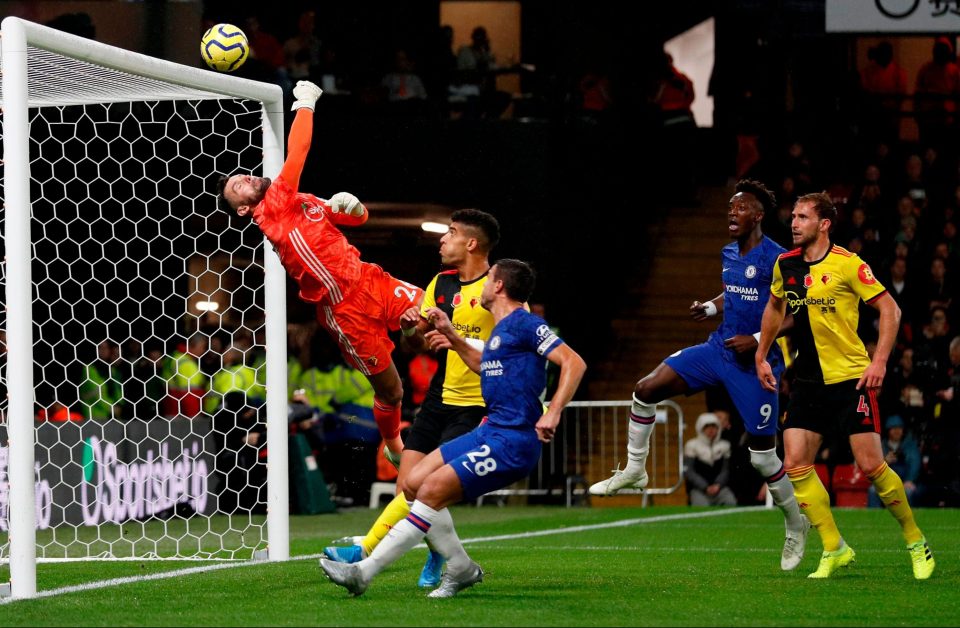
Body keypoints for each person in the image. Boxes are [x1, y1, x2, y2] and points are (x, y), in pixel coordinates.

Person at [320, 259, 586, 597]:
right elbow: (482, 365)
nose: (483, 285)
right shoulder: (501, 330)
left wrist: (554, 412)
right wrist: (451, 334)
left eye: (489, 278)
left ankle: (363, 572)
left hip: (513, 440)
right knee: (414, 484)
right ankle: (461, 568)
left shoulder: (526, 324)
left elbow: (574, 362)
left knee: (431, 492)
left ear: (499, 286)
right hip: (490, 431)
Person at [589, 179, 809, 571]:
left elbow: (795, 315)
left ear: (758, 216)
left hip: (755, 362)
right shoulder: (728, 251)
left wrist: (757, 338)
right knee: (645, 389)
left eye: (740, 208)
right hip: (718, 349)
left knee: (762, 458)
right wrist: (710, 308)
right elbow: (735, 291)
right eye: (730, 207)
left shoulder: (780, 258)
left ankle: (796, 524)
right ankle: (635, 470)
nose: (731, 212)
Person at [215, 80, 424, 461]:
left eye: (241, 175)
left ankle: (418, 330)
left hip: (369, 278)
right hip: (344, 311)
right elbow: (297, 154)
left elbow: (355, 220)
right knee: (392, 391)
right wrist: (306, 104)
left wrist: (355, 208)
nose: (245, 178)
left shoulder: (299, 200)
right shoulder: (271, 210)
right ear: (244, 210)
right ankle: (394, 446)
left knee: (434, 314)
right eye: (237, 188)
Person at [755, 191, 935, 580]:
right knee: (796, 464)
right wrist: (761, 353)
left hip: (851, 378)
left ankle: (915, 540)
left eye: (803, 217)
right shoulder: (784, 264)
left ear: (824, 224)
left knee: (871, 465)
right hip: (807, 379)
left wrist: (880, 361)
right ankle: (835, 547)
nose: (794, 222)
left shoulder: (848, 264)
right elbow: (774, 307)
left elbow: (890, 308)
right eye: (793, 216)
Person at [322, 208, 501, 589]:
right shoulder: (441, 283)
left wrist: (456, 337)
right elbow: (417, 341)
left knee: (427, 487)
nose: (442, 239)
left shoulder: (498, 287)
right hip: (439, 397)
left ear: (471, 243)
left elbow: (509, 345)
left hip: (477, 403)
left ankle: (365, 551)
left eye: (450, 233)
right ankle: (442, 554)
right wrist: (408, 330)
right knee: (410, 486)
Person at [683, 412, 737, 506]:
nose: (711, 430)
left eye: (714, 426)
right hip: (699, 490)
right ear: (700, 428)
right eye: (707, 426)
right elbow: (689, 472)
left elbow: (726, 469)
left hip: (720, 489)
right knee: (701, 506)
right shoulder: (691, 445)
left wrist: (718, 484)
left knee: (730, 501)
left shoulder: (725, 446)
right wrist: (704, 487)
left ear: (718, 428)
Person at [867, 415, 920, 507]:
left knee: (908, 492)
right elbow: (873, 467)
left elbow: (915, 464)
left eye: (899, 428)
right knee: (872, 490)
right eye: (893, 428)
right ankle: (873, 519)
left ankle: (907, 520)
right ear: (888, 430)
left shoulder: (910, 445)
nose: (897, 431)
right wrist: (885, 461)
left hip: (904, 482)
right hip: (885, 482)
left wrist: (909, 480)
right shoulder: (881, 445)